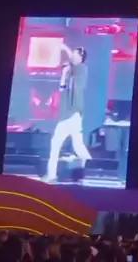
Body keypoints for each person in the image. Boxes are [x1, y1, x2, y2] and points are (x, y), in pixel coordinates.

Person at [45, 43, 93, 182]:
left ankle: (52, 175)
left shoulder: (81, 69)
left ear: (81, 57)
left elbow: (72, 59)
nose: (72, 56)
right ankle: (90, 168)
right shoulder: (71, 73)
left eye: (75, 54)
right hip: (70, 114)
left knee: (58, 144)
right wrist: (64, 74)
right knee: (76, 145)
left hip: (72, 114)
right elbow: (62, 88)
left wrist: (64, 47)